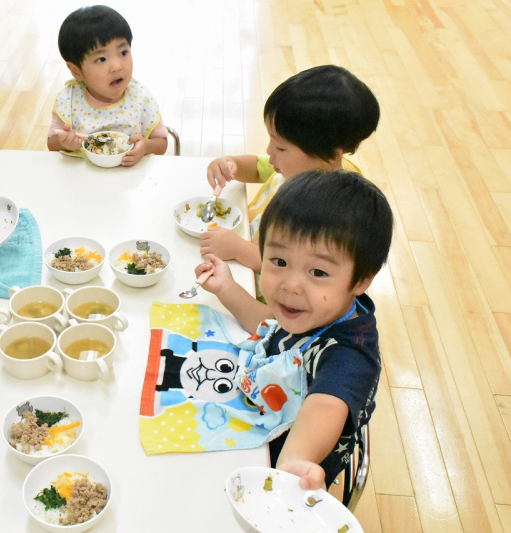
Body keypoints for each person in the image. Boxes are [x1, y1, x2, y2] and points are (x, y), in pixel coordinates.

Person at [196, 170, 393, 491]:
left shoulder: (349, 357)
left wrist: (296, 460)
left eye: (318, 271)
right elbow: (269, 326)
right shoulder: (312, 310)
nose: (290, 285)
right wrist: (227, 288)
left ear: (361, 280)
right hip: (260, 408)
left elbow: (326, 406)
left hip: (277, 459)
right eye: (279, 261)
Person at [202, 65, 380, 323]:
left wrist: (237, 248)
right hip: (248, 275)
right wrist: (232, 165)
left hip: (279, 307)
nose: (270, 152)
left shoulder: (330, 208)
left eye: (281, 147)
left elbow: (288, 263)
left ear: (331, 154)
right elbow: (259, 167)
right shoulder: (298, 166)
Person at [47, 5, 168, 166]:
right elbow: (52, 144)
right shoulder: (68, 100)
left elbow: (162, 142)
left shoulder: (141, 98)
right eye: (101, 59)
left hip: (131, 175)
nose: (117, 66)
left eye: (123, 52)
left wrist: (147, 147)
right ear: (77, 71)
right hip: (82, 176)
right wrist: (65, 143)